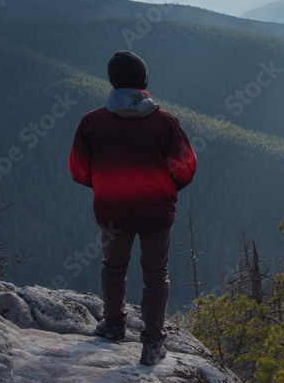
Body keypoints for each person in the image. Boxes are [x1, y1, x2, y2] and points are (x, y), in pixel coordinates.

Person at [69, 51, 197, 365]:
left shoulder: (92, 122)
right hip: (156, 210)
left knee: (113, 267)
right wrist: (166, 187)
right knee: (155, 274)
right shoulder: (165, 122)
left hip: (112, 211)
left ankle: (113, 325)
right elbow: (186, 167)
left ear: (113, 82)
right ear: (144, 83)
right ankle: (153, 345)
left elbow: (79, 170)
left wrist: (105, 186)